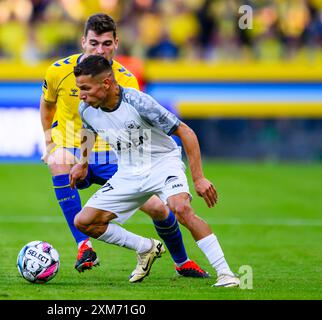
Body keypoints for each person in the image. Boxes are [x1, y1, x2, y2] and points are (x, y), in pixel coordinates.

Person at [40, 13, 208, 278]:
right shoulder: (58, 71)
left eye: (107, 43)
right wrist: (49, 141)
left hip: (114, 156)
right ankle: (84, 245)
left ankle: (181, 261)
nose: (100, 49)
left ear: (116, 43)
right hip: (75, 150)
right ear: (83, 41)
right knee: (57, 160)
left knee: (158, 209)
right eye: (94, 43)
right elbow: (48, 104)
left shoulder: (126, 80)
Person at [69, 55, 240, 287]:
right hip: (128, 171)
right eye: (79, 89)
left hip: (162, 163)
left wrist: (198, 178)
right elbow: (89, 132)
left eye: (85, 88)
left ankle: (226, 274)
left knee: (181, 208)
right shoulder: (86, 109)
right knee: (84, 221)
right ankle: (146, 248)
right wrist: (83, 163)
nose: (81, 95)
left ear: (106, 83)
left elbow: (186, 132)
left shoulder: (138, 102)